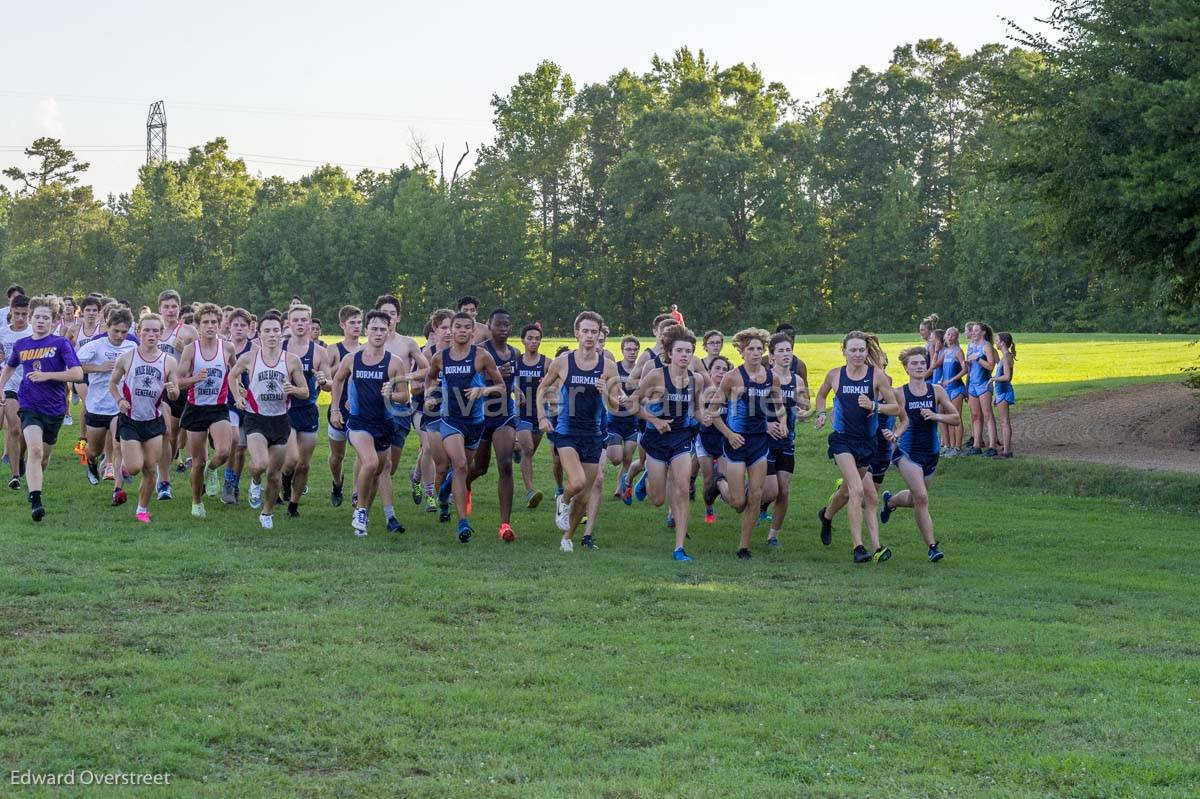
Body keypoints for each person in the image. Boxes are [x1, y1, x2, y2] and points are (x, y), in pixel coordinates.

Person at [537, 311, 621, 552]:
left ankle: (567, 537)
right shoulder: (564, 361)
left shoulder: (608, 366)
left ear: (600, 335)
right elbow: (542, 388)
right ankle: (562, 500)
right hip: (567, 430)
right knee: (577, 481)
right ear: (577, 333)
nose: (590, 336)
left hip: (594, 434)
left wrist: (606, 390)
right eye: (585, 331)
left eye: (594, 332)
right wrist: (542, 416)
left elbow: (616, 406)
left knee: (583, 497)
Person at [812, 331, 898, 563]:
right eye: (854, 350)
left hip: (866, 443)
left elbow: (895, 408)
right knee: (858, 491)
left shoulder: (876, 376)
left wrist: (874, 405)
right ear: (845, 351)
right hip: (842, 440)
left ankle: (827, 516)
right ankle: (858, 547)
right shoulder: (835, 375)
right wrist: (821, 414)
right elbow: (820, 396)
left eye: (862, 350)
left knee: (848, 490)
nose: (858, 354)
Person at [0, 296, 84, 521]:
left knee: (43, 457)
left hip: (55, 408)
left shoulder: (60, 344)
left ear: (53, 320)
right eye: (36, 317)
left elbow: (77, 374)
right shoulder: (21, 344)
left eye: (45, 318)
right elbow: (8, 368)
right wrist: (0, 386)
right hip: (28, 404)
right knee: (34, 450)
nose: (40, 321)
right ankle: (35, 501)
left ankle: (33, 476)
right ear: (30, 318)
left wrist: (47, 376)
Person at [424, 311, 504, 543]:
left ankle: (444, 493)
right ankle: (463, 523)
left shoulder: (482, 356)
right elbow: (430, 378)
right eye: (456, 326)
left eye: (465, 327)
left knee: (465, 467)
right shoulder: (441, 357)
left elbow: (500, 387)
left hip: (475, 422)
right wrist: (430, 395)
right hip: (450, 419)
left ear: (472, 331)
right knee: (459, 464)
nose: (459, 330)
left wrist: (483, 391)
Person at [329, 310, 411, 536]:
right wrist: (335, 407)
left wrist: (391, 394)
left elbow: (405, 396)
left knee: (376, 473)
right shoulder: (352, 358)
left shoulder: (394, 363)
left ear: (389, 331)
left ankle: (363, 512)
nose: (378, 333)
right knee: (371, 463)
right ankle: (361, 511)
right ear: (366, 331)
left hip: (384, 424)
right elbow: (337, 380)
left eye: (382, 329)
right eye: (374, 328)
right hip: (358, 422)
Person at [706, 328, 785, 560]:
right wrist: (729, 434)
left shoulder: (772, 377)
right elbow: (713, 412)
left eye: (759, 349)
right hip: (736, 443)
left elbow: (778, 405)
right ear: (742, 352)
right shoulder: (732, 377)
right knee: (738, 501)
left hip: (760, 443)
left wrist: (783, 422)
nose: (755, 353)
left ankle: (743, 546)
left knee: (756, 496)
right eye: (750, 349)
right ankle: (719, 484)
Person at [631, 324, 706, 561]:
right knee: (657, 499)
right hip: (655, 439)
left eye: (689, 351)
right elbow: (632, 404)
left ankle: (679, 547)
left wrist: (706, 417)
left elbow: (694, 410)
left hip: (681, 438)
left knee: (683, 489)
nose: (685, 355)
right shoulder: (656, 375)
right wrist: (653, 420)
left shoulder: (697, 380)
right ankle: (647, 478)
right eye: (680, 351)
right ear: (670, 353)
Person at [228, 312, 309, 530]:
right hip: (256, 419)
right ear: (259, 333)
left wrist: (294, 389)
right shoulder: (249, 358)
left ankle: (267, 512)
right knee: (261, 465)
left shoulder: (291, 360)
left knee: (274, 476)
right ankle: (254, 482)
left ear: (282, 334)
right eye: (267, 330)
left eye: (276, 330)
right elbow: (231, 376)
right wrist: (238, 397)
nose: (272, 335)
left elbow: (305, 391)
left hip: (280, 421)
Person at [878, 346, 959, 561]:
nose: (919, 366)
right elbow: (889, 416)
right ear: (906, 368)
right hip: (906, 451)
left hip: (931, 452)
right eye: (914, 363)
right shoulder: (899, 393)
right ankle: (933, 547)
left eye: (922, 363)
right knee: (922, 498)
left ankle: (890, 502)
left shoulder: (937, 391)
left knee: (916, 499)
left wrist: (935, 416)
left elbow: (956, 418)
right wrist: (892, 435)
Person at [108, 314, 179, 522]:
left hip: (153, 421)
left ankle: (141, 509)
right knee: (135, 467)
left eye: (156, 330)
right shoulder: (127, 357)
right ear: (138, 332)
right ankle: (123, 467)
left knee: (150, 468)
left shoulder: (169, 361)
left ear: (161, 333)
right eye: (146, 330)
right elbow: (113, 384)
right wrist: (120, 400)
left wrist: (174, 390)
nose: (151, 334)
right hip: (130, 419)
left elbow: (174, 394)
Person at [374, 294, 429, 533]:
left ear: (398, 317)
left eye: (392, 314)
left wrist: (407, 376)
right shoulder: (373, 342)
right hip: (373, 408)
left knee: (391, 465)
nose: (389, 318)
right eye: (384, 314)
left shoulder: (407, 343)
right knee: (376, 460)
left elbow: (427, 368)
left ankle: (373, 487)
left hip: (400, 407)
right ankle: (364, 498)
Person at [175, 303, 235, 518]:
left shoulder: (227, 348)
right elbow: (179, 381)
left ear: (220, 325)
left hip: (218, 408)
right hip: (196, 408)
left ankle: (212, 470)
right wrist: (194, 379)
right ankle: (196, 501)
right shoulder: (191, 349)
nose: (210, 326)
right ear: (198, 326)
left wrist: (240, 387)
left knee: (223, 452)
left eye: (214, 322)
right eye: (206, 322)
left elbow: (235, 372)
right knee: (197, 462)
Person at [468, 309, 520, 542]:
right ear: (488, 325)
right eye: (498, 324)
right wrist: (494, 374)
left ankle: (505, 524)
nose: (503, 328)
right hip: (480, 415)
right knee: (480, 467)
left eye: (507, 325)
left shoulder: (515, 352)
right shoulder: (480, 352)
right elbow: (470, 382)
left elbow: (514, 383)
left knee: (506, 464)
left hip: (504, 415)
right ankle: (463, 483)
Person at [75, 307, 136, 495]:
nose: (119, 335)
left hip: (120, 405)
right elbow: (75, 367)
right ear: (107, 327)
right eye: (115, 331)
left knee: (119, 446)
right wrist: (98, 367)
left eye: (124, 332)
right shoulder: (96, 345)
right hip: (97, 405)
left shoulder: (132, 347)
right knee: (94, 449)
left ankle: (117, 489)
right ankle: (91, 462)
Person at [759, 333, 809, 547]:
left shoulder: (797, 380)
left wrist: (804, 412)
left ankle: (773, 535)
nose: (786, 354)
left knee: (784, 489)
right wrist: (767, 426)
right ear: (771, 356)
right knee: (771, 490)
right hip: (764, 440)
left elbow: (805, 406)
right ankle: (750, 496)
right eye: (781, 350)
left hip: (787, 440)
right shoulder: (763, 378)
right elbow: (749, 411)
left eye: (788, 350)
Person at [280, 304, 325, 518]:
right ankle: (284, 480)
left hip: (308, 410)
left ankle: (293, 506)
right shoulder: (280, 348)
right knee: (291, 459)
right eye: (295, 320)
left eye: (303, 320)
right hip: (284, 409)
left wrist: (324, 381)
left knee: (304, 465)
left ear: (310, 322)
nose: (299, 324)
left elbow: (328, 384)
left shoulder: (319, 352)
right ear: (288, 323)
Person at [154, 290, 198, 500]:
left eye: (174, 307)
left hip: (182, 388)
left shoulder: (188, 331)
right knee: (167, 433)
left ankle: (165, 465)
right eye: (166, 307)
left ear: (179, 308)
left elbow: (202, 359)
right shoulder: (153, 330)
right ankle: (164, 482)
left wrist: (185, 349)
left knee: (176, 439)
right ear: (160, 309)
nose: (170, 311)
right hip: (159, 389)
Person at [418, 309, 454, 517]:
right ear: (435, 329)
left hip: (459, 410)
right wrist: (428, 396)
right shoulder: (429, 353)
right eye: (444, 328)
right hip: (434, 410)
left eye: (452, 327)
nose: (448, 332)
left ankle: (447, 494)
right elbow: (424, 379)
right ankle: (433, 493)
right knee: (436, 457)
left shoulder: (464, 352)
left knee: (455, 459)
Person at [325, 305, 362, 507]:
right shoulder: (334, 349)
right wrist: (342, 365)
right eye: (352, 323)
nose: (357, 327)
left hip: (359, 410)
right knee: (337, 456)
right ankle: (337, 482)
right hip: (337, 409)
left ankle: (356, 493)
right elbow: (325, 381)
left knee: (361, 453)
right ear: (342, 325)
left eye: (359, 322)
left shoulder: (367, 350)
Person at [220, 309, 255, 505]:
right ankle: (227, 481)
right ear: (229, 326)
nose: (239, 329)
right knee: (233, 441)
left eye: (243, 325)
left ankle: (234, 483)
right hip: (228, 403)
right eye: (236, 325)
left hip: (249, 404)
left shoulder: (255, 349)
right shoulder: (223, 348)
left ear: (249, 328)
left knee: (241, 449)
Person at [513, 323, 548, 509]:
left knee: (530, 451)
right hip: (521, 412)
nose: (534, 342)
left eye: (537, 339)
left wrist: (549, 382)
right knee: (528, 450)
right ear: (523, 340)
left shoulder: (546, 362)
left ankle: (516, 448)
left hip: (540, 414)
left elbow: (557, 381)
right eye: (530, 338)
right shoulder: (516, 361)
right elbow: (505, 379)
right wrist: (515, 389)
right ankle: (530, 491)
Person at [0, 294, 31, 487]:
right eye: (16, 313)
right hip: (9, 384)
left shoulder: (33, 333)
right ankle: (15, 476)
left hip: (30, 386)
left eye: (24, 314)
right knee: (14, 428)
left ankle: (19, 457)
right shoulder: (3, 332)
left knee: (25, 431)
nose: (20, 318)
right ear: (10, 312)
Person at [696, 354, 730, 524]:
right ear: (709, 371)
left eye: (725, 369)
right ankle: (708, 508)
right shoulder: (702, 391)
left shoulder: (731, 392)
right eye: (717, 368)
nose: (721, 372)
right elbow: (694, 411)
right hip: (704, 438)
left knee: (723, 476)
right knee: (708, 479)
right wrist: (703, 417)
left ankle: (725, 494)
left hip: (723, 440)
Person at [608, 335, 640, 503]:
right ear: (622, 350)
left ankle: (621, 488)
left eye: (635, 349)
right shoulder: (615, 368)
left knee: (628, 457)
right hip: (614, 419)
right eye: (628, 349)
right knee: (616, 459)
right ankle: (622, 482)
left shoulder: (641, 371)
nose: (632, 352)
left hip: (633, 420)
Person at [965, 321, 998, 457]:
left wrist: (978, 359)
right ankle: (976, 445)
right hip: (972, 383)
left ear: (983, 332)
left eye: (976, 330)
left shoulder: (987, 346)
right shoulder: (971, 345)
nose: (973, 332)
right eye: (972, 330)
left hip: (984, 383)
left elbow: (991, 366)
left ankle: (992, 446)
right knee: (975, 415)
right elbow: (969, 367)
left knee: (987, 414)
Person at [939, 326, 966, 455]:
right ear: (945, 336)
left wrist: (951, 380)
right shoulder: (945, 352)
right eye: (948, 334)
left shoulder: (958, 351)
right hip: (946, 390)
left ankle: (958, 447)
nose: (950, 337)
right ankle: (950, 446)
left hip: (956, 388)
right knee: (949, 417)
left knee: (957, 417)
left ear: (956, 337)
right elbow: (938, 365)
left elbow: (965, 369)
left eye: (953, 335)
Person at [990, 332, 1017, 458]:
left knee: (1004, 422)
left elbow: (1007, 377)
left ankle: (1007, 451)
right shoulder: (1005, 356)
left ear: (1002, 343)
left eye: (997, 340)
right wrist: (996, 395)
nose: (995, 342)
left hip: (1004, 392)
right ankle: (1006, 449)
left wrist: (993, 379)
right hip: (1001, 392)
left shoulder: (1006, 357)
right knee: (1003, 421)